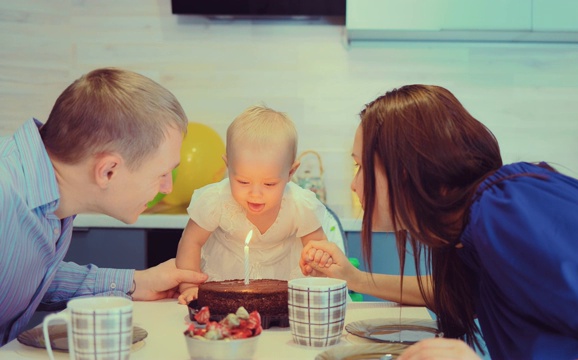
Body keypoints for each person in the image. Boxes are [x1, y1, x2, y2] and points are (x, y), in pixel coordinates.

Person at [302, 84, 578, 359]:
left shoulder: (509, 206)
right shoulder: (466, 230)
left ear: (403, 171)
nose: (354, 184)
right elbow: (448, 292)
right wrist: (354, 278)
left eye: (360, 167)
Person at [0, 68, 208, 346]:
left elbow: (23, 277)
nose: (168, 188)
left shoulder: (47, 192)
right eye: (161, 174)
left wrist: (135, 282)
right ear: (108, 171)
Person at [176, 105, 331, 304]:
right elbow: (191, 241)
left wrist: (317, 257)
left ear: (291, 173)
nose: (255, 194)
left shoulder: (300, 205)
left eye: (269, 184)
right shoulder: (216, 200)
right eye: (243, 181)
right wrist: (189, 286)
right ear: (228, 166)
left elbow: (318, 246)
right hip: (225, 280)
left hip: (283, 284)